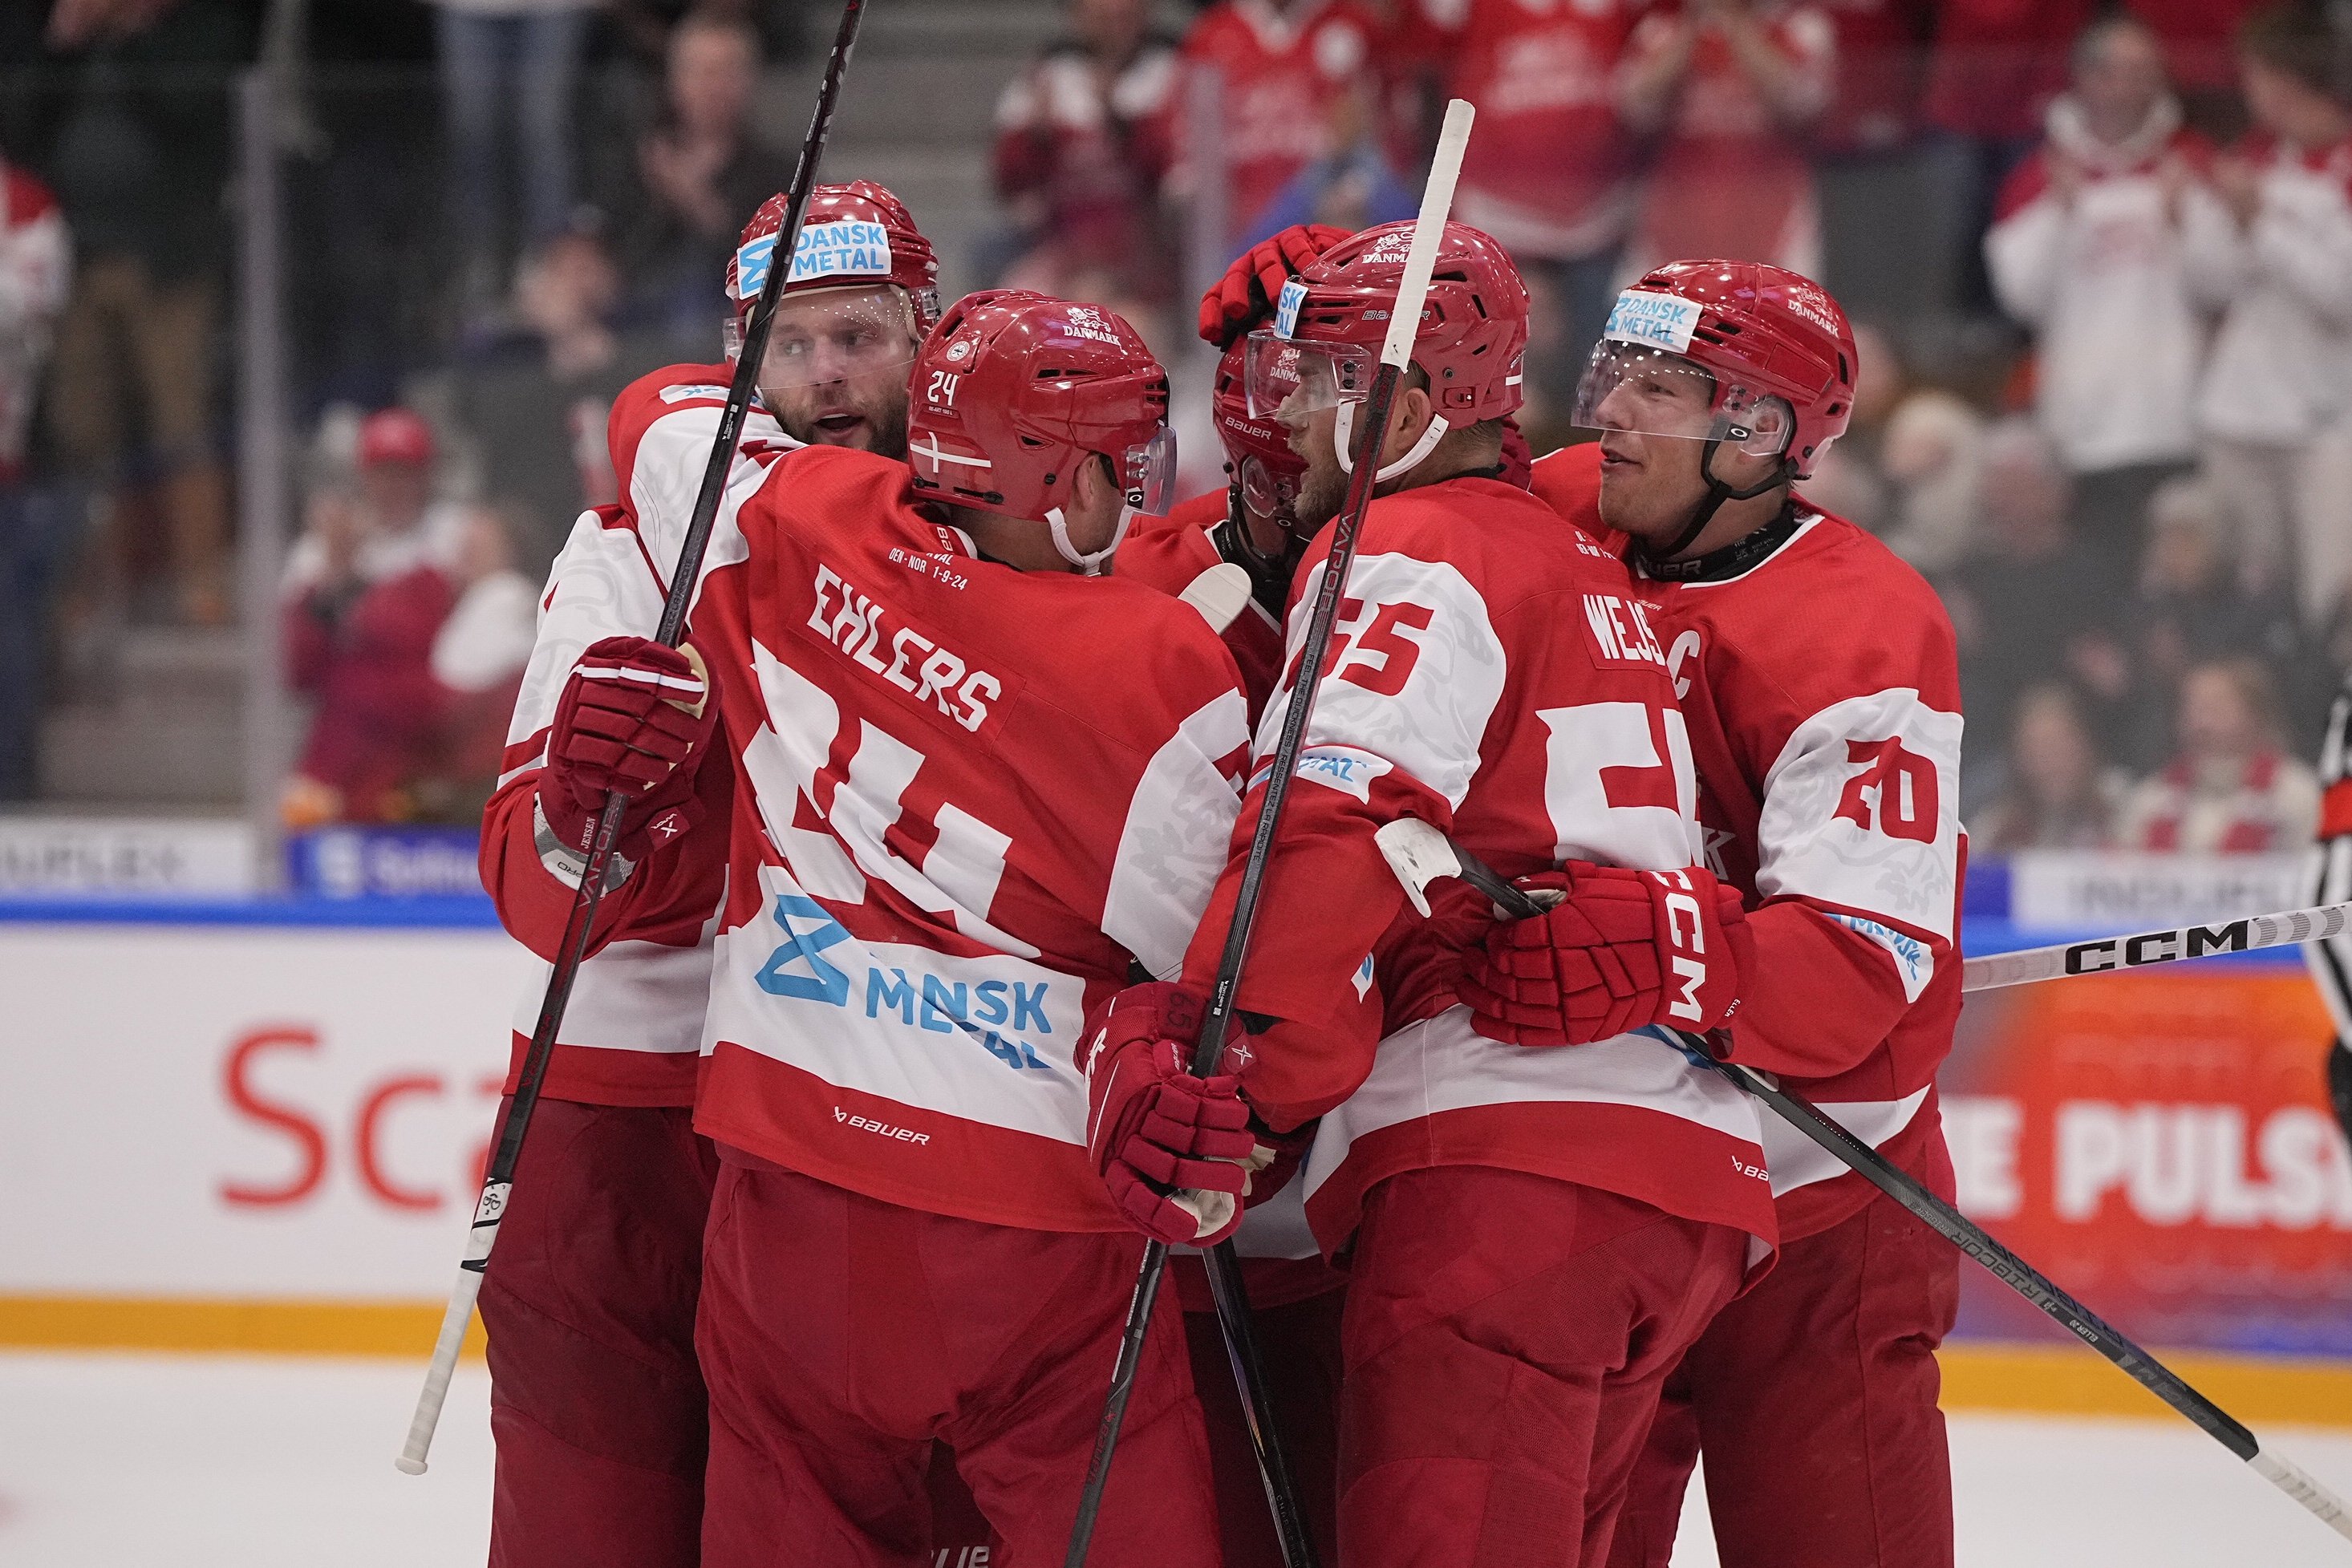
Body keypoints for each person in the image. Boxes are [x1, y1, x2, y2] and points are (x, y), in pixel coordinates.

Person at [1091, 220, 1774, 1568]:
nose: (1296, 422)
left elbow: (1332, 820)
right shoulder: (1582, 563)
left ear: (1404, 409)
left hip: (1501, 1184)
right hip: (1674, 1191)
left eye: (1331, 386)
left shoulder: (1402, 548)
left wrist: (1224, 1077)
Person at [572, 288, 1243, 1566]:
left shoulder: (797, 523)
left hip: (788, 1185)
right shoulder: (1159, 661)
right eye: (1116, 464)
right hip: (1030, 1223)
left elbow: (654, 410)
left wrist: (859, 498)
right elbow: (1226, 965)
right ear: (1051, 480)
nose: (1136, 497)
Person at [473, 181, 943, 1568]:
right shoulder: (627, 557)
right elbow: (536, 895)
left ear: (931, 340)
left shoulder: (984, 556)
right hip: (626, 1124)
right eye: (784, 347)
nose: (824, 377)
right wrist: (592, 809)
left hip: (866, 1122)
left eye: (858, 337)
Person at [1507, 262, 1966, 1568]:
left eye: (1654, 389)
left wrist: (1659, 949)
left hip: (1822, 1192)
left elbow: (1856, 973)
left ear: (1758, 434)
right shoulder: (1551, 516)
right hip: (1622, 1184)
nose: (1607, 413)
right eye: (1611, 375)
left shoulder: (1859, 628)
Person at [1984, 14, 2220, 554]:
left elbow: (2222, 286)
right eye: (2116, 71)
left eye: (2144, 71)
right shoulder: (2039, 175)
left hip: (2176, 415)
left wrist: (2188, 219)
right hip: (2081, 423)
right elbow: (2020, 297)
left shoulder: (2192, 162)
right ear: (2085, 79)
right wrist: (2059, 215)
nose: (2129, 87)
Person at [2183, 1, 2352, 623]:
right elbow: (2206, 282)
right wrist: (2213, 221)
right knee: (2251, 602)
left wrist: (2260, 224)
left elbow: (2342, 296)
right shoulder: (2250, 158)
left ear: (2286, 77)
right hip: (2237, 412)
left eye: (2253, 72)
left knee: (2328, 604)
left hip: (2328, 424)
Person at [1400, 0, 1640, 396]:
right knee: (1490, 377)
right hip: (1495, 222)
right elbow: (1416, 60)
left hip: (1598, 225)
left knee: (1597, 385)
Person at [280, 408, 470, 827]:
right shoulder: (318, 552)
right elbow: (296, 670)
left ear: (426, 477)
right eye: (385, 473)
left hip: (429, 749)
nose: (395, 487)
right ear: (364, 478)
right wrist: (335, 577)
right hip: (341, 749)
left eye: (407, 473)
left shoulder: (454, 537)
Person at [1616, 0, 1836, 278]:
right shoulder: (1659, 30)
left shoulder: (1801, 27)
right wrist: (1691, 28)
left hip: (1776, 229)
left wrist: (1735, 22)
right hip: (1671, 232)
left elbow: (1800, 103)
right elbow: (1635, 107)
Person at [610, 9, 789, 339]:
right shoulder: (633, 156)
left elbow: (765, 273)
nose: (713, 87)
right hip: (623, 315)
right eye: (701, 72)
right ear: (673, 78)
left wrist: (693, 198)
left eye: (726, 73)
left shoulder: (782, 174)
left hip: (715, 326)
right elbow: (600, 238)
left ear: (750, 80)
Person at [989, 0, 1181, 303]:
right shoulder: (1050, 71)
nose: (1114, 25)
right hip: (1066, 243)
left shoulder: (1171, 67)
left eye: (1125, 16)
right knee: (1020, 291)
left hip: (1146, 245)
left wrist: (1117, 123)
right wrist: (1037, 137)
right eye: (1101, 16)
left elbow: (1169, 172)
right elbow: (1008, 180)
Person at [428, 0, 600, 311]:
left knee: (543, 129)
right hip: (471, 9)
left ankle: (551, 267)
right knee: (474, 133)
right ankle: (481, 262)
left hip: (553, 9)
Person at [1178, 0, 1386, 252]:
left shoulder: (1352, 24)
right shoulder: (1210, 37)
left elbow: (1376, 138)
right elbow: (1192, 155)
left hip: (1328, 234)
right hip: (1237, 237)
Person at [0, 153, 72, 799]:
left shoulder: (24, 201)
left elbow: (29, 307)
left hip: (6, 466)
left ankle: (12, 780)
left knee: (10, 630)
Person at [2118, 656, 2321, 852]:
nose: (2199, 725)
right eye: (2190, 711)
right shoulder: (2151, 800)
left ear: (2255, 716)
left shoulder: (2297, 795)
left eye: (2214, 709)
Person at [1973, 683, 2123, 851]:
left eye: (2058, 745)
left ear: (2085, 744)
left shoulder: (2128, 812)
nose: (2049, 763)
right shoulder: (1995, 831)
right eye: (2035, 750)